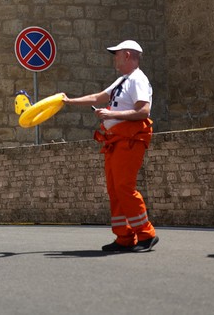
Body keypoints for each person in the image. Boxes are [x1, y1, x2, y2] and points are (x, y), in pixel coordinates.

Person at [63, 41, 159, 252]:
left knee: (124, 187)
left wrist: (111, 114)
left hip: (130, 140)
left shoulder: (138, 80)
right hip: (116, 141)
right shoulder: (122, 80)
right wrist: (69, 101)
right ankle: (124, 237)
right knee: (115, 189)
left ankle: (146, 234)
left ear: (126, 55)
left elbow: (144, 111)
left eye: (115, 55)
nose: (113, 58)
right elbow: (98, 97)